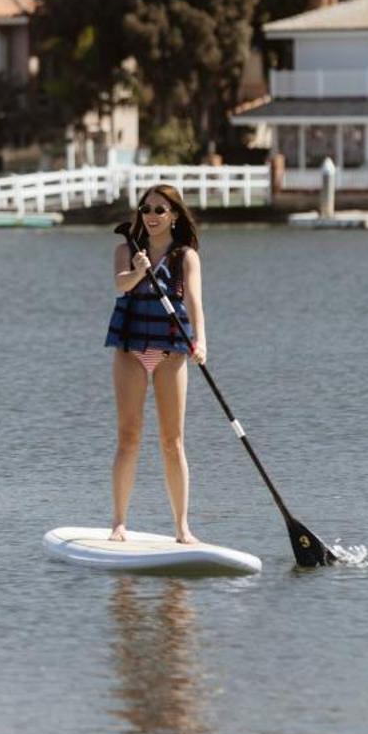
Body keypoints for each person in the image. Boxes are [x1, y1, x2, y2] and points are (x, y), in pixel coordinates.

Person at [105, 184, 207, 544]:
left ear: (174, 215)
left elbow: (194, 302)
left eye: (160, 210)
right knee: (128, 438)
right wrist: (137, 270)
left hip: (170, 352)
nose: (151, 216)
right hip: (131, 349)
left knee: (172, 441)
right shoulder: (126, 250)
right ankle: (118, 522)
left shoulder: (185, 257)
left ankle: (182, 527)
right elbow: (120, 287)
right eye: (146, 209)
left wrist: (201, 342)